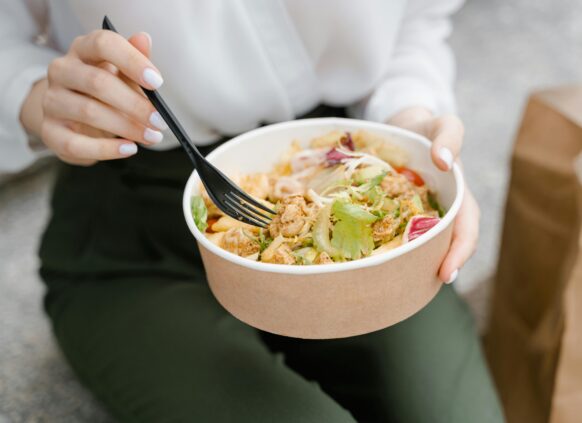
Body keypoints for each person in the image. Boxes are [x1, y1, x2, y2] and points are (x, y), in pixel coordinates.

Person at [1, 1, 504, 422]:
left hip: (353, 182)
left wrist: (415, 129)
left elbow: (415, 20)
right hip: (131, 227)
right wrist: (36, 95)